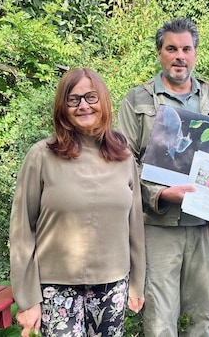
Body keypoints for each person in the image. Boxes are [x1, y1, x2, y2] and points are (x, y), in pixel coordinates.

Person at [116, 17, 209, 336]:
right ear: (160, 53)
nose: (179, 56)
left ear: (195, 53)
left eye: (186, 48)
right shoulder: (137, 101)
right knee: (160, 323)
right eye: (171, 49)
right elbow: (122, 165)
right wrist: (161, 194)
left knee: (201, 320)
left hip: (204, 228)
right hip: (159, 228)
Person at [9, 68, 146, 337]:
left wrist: (137, 282)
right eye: (74, 99)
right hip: (55, 287)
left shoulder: (123, 157)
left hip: (112, 285)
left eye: (91, 97)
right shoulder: (41, 156)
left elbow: (135, 225)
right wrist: (27, 299)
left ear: (103, 102)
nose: (83, 105)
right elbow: (22, 230)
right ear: (63, 107)